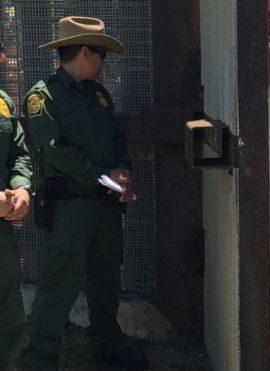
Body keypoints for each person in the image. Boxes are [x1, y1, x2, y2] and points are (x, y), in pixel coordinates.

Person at [22, 16, 147, 371]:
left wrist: (123, 173)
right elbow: (53, 149)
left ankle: (107, 349)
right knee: (57, 285)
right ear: (86, 53)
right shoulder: (42, 96)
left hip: (104, 208)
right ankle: (42, 359)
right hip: (68, 209)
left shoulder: (100, 95)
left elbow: (117, 139)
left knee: (105, 282)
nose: (104, 62)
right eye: (101, 54)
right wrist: (100, 175)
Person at [0, 43, 33, 371]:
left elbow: (17, 150)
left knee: (8, 312)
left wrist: (22, 186)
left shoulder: (2, 101)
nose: (2, 58)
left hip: (2, 230)